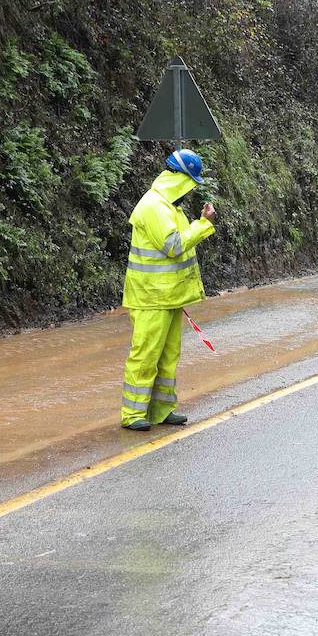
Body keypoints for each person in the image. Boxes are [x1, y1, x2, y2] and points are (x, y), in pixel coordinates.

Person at [120, 149, 216, 431]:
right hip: (150, 298)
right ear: (179, 180)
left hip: (170, 297)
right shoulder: (153, 207)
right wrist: (203, 225)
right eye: (190, 183)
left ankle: (162, 410)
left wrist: (199, 224)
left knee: (168, 355)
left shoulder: (171, 207)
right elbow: (174, 245)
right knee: (145, 355)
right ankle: (132, 414)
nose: (191, 190)